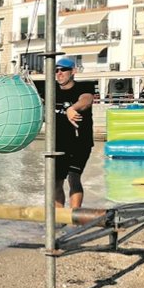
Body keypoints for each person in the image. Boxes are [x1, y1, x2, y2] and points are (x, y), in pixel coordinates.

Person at [50, 58, 94, 208]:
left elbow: (86, 100)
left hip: (80, 143)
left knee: (73, 178)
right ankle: (60, 220)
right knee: (56, 181)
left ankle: (74, 218)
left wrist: (72, 108)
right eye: (56, 70)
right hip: (58, 143)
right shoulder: (51, 91)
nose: (59, 73)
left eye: (63, 70)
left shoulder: (84, 87)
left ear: (73, 71)